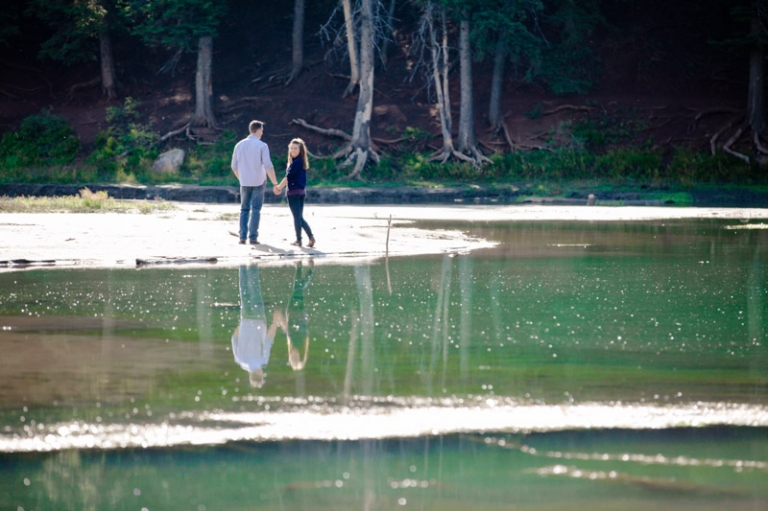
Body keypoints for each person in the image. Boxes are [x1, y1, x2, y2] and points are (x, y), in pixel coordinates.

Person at [231, 120, 279, 245]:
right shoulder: (262, 146)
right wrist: (275, 183)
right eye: (262, 130)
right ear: (258, 130)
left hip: (244, 182)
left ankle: (242, 237)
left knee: (244, 209)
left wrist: (241, 178)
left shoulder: (239, 145)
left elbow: (234, 166)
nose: (262, 133)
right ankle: (253, 237)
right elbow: (268, 165)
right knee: (256, 209)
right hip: (259, 181)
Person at [231, 265, 279, 388]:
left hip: (258, 320)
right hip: (245, 319)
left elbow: (269, 339)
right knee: (244, 290)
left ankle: (253, 266)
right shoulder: (240, 361)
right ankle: (242, 266)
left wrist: (275, 321)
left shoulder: (262, 361)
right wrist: (241, 324)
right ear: (250, 376)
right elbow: (234, 338)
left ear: (260, 375)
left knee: (255, 290)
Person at [273, 259, 313, 370]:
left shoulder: (291, 344)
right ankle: (310, 270)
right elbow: (298, 327)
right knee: (298, 287)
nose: (293, 356)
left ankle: (301, 267)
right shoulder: (300, 341)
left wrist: (279, 318)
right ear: (300, 354)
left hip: (291, 312)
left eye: (292, 358)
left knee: (297, 287)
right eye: (296, 358)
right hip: (298, 312)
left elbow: (287, 328)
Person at [275, 138, 315, 248]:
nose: (293, 150)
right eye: (291, 148)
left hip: (293, 192)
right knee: (299, 217)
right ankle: (301, 239)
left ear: (300, 150)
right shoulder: (300, 162)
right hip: (301, 192)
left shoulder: (296, 162)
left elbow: (288, 178)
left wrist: (278, 187)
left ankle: (305, 238)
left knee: (297, 218)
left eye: (295, 148)